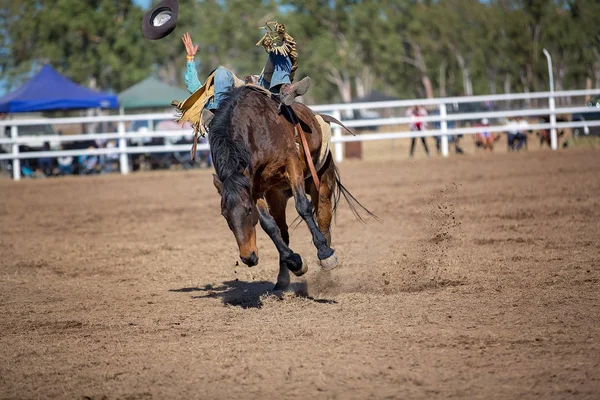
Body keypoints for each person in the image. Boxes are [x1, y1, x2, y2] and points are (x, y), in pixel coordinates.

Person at [181, 22, 311, 124]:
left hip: (261, 87)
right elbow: (193, 86)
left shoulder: (239, 83)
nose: (216, 83)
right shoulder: (210, 97)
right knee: (221, 72)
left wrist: (190, 58)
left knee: (278, 50)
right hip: (233, 101)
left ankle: (285, 89)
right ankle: (219, 113)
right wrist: (190, 59)